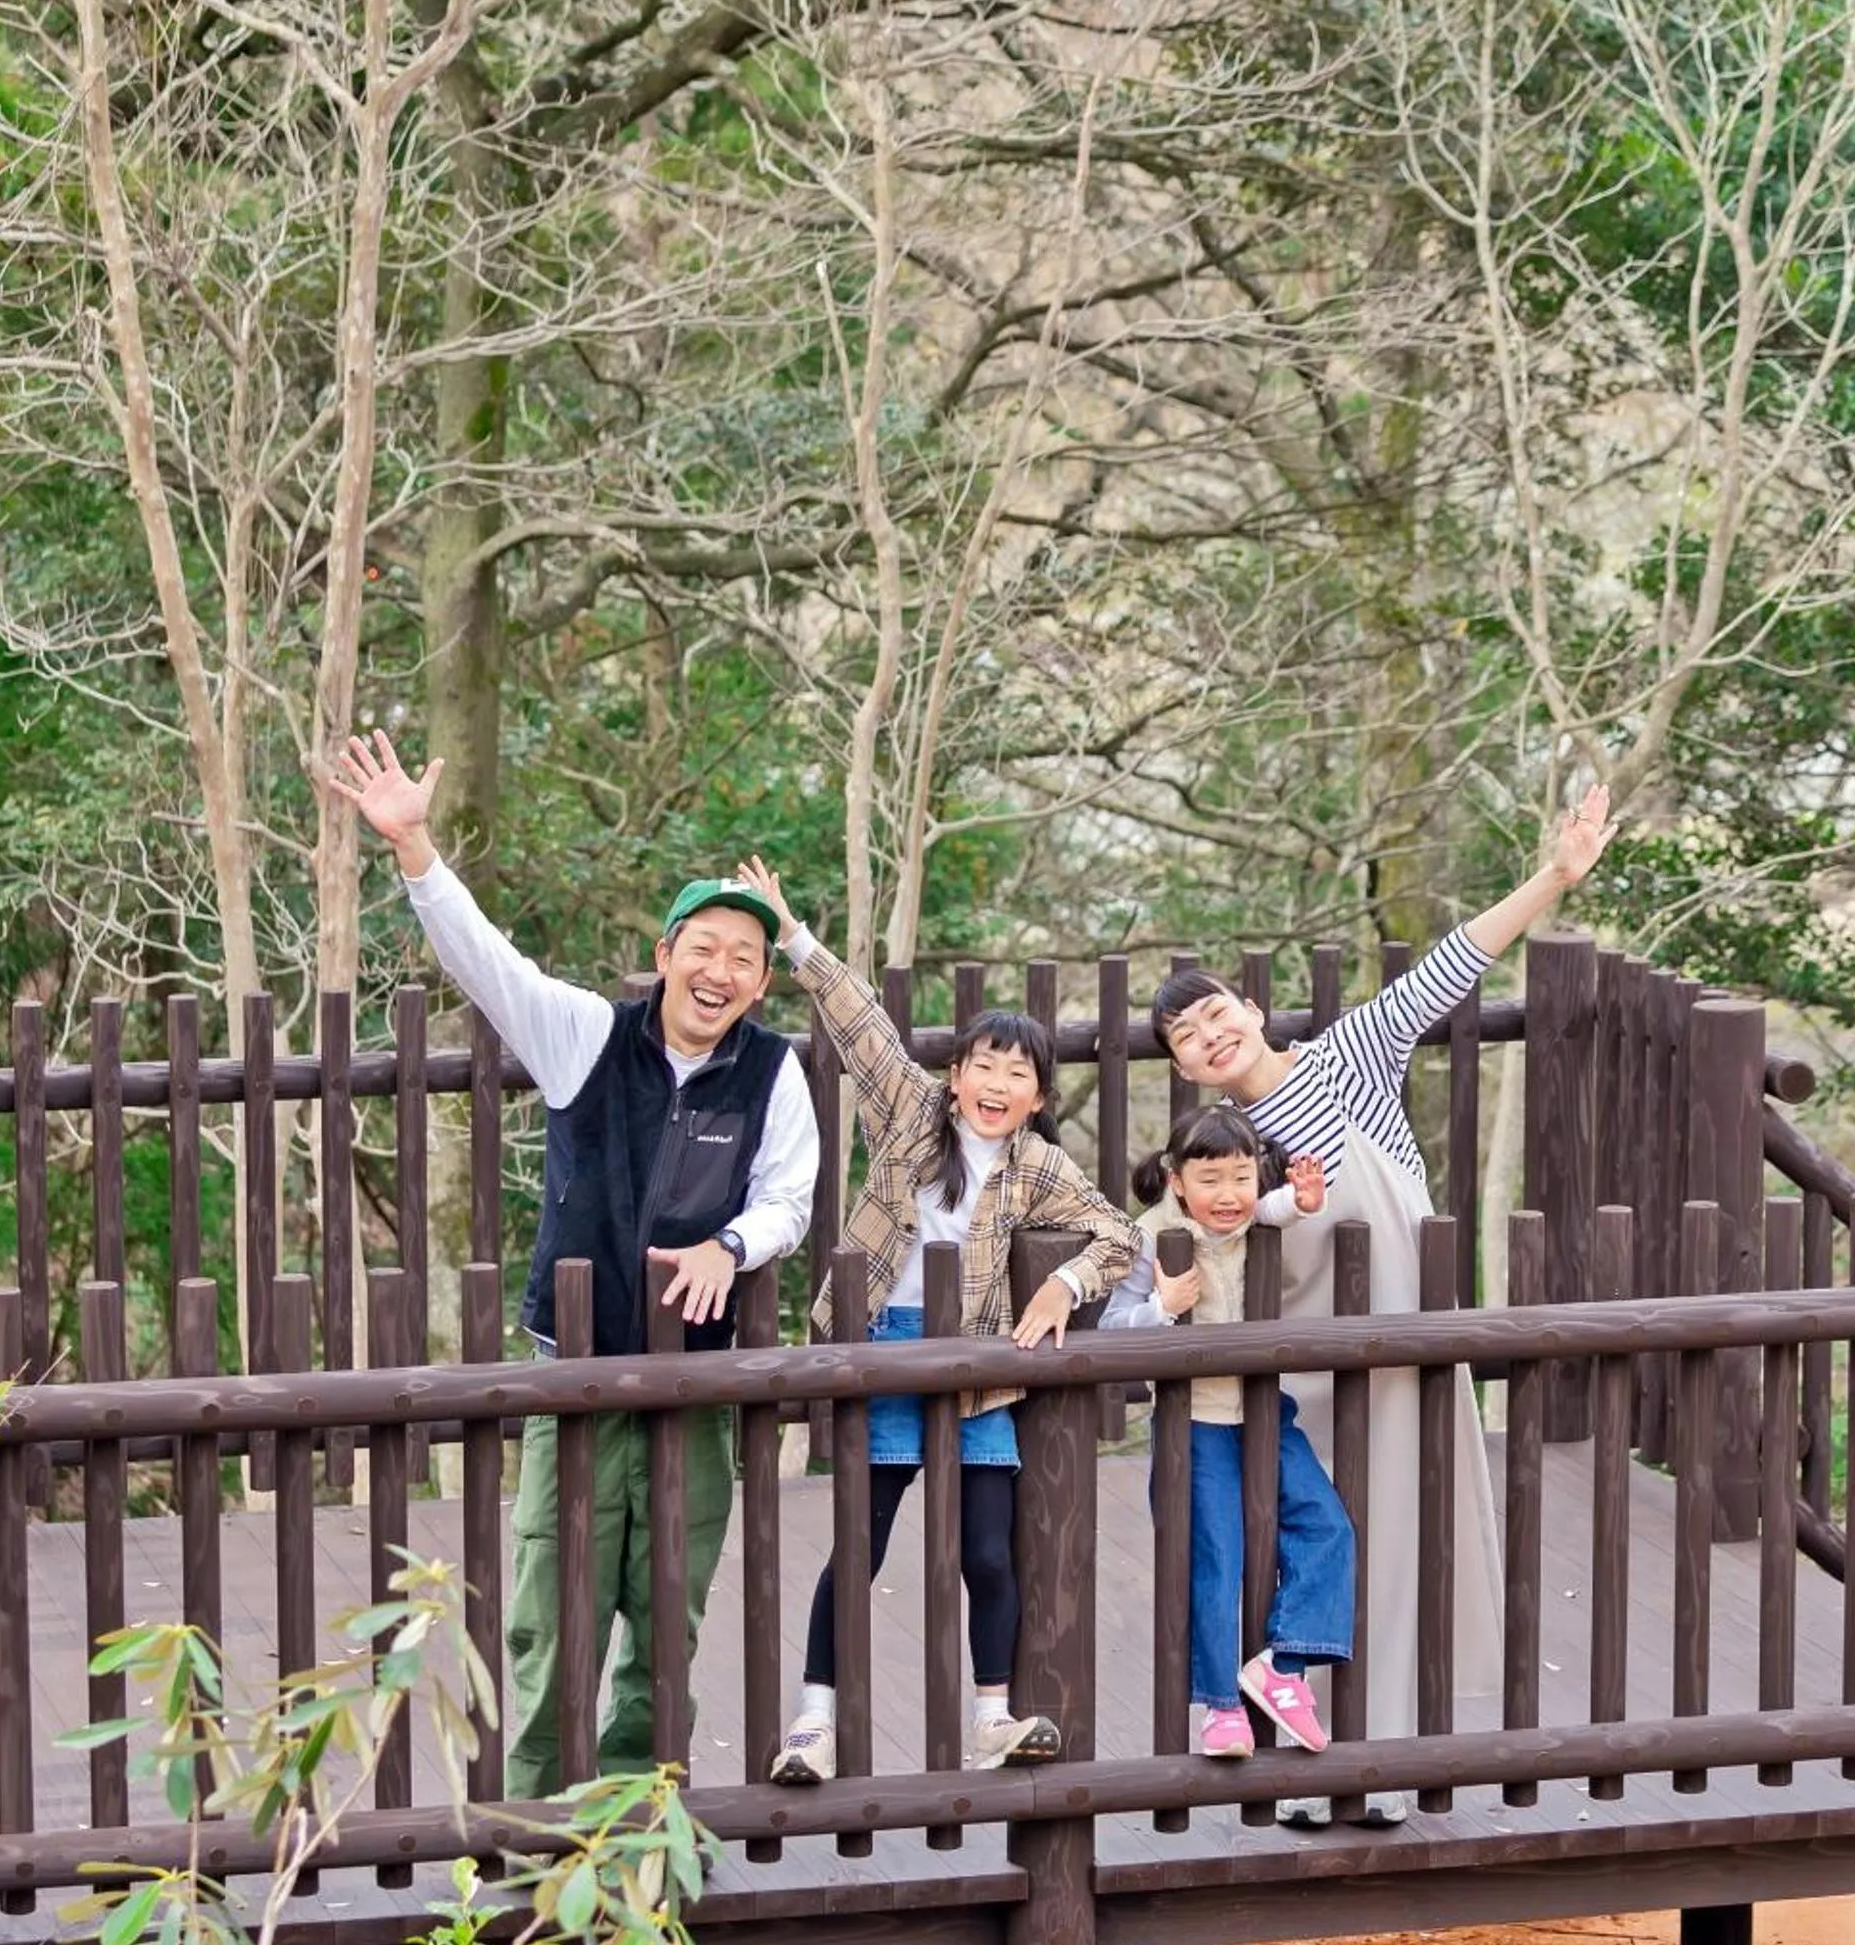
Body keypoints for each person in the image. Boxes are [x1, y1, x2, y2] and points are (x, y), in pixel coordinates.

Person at [325, 732, 819, 1797]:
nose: (721, 970)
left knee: (668, 1627)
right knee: (552, 1614)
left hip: (691, 1385)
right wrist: (413, 846)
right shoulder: (586, 1037)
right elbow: (485, 960)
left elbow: (789, 1197)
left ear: (763, 978)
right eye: (706, 946)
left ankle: (642, 1831)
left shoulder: (775, 1074)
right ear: (665, 950)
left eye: (745, 957)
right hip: (573, 1378)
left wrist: (731, 1248)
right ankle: (534, 1835)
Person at [1149, 784, 1621, 1824]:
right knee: (1313, 1545)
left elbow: (1451, 965)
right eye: (1185, 1035)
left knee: (1414, 1539)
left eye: (1216, 1011)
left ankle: (1399, 1760)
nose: (1208, 1034)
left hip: (1400, 1344)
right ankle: (1312, 1772)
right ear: (1182, 1066)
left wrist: (1556, 875)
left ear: (1252, 1011)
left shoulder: (1349, 1059)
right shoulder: (1221, 1156)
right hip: (1297, 1372)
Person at [735, 858, 1142, 1784]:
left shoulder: (1038, 1165)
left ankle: (993, 1717)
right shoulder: (912, 1119)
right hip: (886, 1349)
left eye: (1019, 1074)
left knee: (989, 1554)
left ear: (1039, 1095)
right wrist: (793, 937)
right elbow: (861, 1025)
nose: (998, 1084)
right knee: (862, 1547)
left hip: (982, 1367)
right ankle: (813, 1721)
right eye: (984, 1067)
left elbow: (1115, 1233)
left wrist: (1062, 1288)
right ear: (956, 1076)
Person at [1101, 1104, 1351, 1759]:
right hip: (1197, 1425)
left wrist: (1303, 1200)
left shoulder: (1250, 1217)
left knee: (1328, 1526)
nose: (1228, 1195)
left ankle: (1286, 1665)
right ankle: (1219, 1706)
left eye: (1241, 1177)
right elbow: (1110, 1326)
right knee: (1216, 1562)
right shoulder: (1152, 1234)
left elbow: (1275, 1209)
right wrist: (1163, 1309)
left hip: (1267, 1414)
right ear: (1176, 1178)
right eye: (1209, 1179)